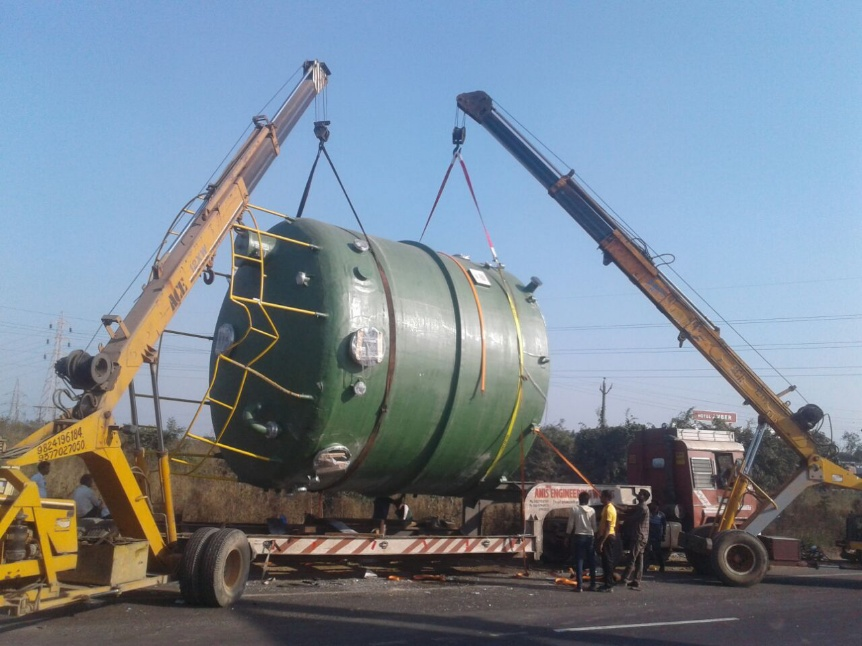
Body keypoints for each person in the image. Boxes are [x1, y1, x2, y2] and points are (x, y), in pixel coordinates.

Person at [566, 491, 597, 592]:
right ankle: (593, 584)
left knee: (579, 560)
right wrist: (596, 536)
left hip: (579, 537)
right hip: (590, 537)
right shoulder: (592, 510)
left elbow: (570, 525)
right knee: (591, 561)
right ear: (588, 500)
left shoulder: (574, 509)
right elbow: (594, 526)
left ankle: (579, 586)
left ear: (579, 499)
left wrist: (567, 536)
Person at [622, 489, 651, 591]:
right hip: (642, 536)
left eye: (640, 494)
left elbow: (632, 518)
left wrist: (622, 517)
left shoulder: (642, 508)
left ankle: (625, 578)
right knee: (639, 559)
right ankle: (637, 580)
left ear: (644, 497)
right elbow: (628, 510)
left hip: (638, 536)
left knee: (632, 558)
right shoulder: (641, 507)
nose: (638, 495)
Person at [595, 489, 618, 592]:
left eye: (602, 496)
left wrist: (602, 542)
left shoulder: (609, 509)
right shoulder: (606, 507)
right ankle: (607, 581)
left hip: (608, 537)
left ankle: (609, 585)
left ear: (606, 497)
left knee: (607, 561)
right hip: (606, 536)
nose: (600, 497)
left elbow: (608, 528)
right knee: (605, 561)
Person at [645, 502, 668, 573]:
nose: (654, 507)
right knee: (647, 551)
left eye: (656, 506)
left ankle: (662, 566)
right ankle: (645, 566)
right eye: (653, 505)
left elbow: (664, 526)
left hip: (657, 536)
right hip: (649, 535)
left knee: (657, 551)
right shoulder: (648, 514)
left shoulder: (661, 515)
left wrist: (663, 535)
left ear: (658, 507)